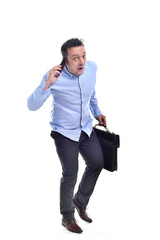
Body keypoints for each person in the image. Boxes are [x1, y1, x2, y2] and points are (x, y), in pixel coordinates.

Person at [28, 38, 106, 234]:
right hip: (64, 132)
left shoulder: (91, 69)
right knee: (70, 173)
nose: (81, 62)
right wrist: (47, 84)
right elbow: (32, 105)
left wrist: (97, 112)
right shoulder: (54, 76)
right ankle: (67, 217)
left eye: (83, 56)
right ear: (65, 59)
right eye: (75, 58)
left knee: (97, 163)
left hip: (86, 128)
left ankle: (79, 201)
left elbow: (91, 93)